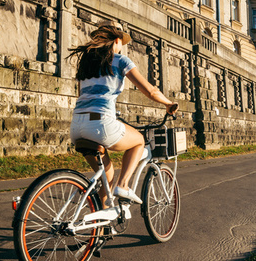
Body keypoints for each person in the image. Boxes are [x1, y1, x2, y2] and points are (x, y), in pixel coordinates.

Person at [69, 21, 178, 204]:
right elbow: (150, 91)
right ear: (117, 40)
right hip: (101, 124)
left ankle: (102, 228)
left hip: (77, 126)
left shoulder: (85, 64)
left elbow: (83, 95)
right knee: (139, 141)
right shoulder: (120, 60)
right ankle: (124, 185)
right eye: (122, 42)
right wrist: (168, 103)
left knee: (107, 179)